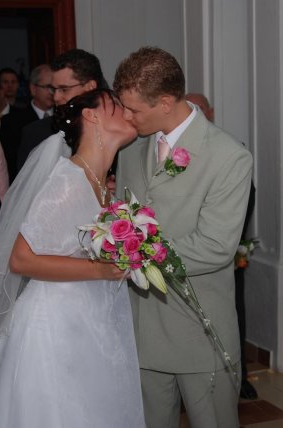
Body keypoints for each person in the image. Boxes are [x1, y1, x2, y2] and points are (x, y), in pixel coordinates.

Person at [0, 89, 144, 428]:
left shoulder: (102, 186)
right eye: (116, 105)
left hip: (93, 317)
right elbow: (21, 259)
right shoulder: (68, 181)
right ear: (91, 116)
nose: (127, 110)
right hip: (56, 325)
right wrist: (101, 269)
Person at [114, 47, 253, 428]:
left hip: (198, 331)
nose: (125, 117)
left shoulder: (228, 156)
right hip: (142, 329)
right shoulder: (130, 151)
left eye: (133, 109)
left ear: (164, 102)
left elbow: (216, 247)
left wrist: (133, 254)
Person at [186, 92, 258, 400]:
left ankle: (238, 376)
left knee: (232, 312)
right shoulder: (175, 150)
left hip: (225, 244)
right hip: (188, 246)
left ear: (211, 112)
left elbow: (248, 196)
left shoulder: (229, 149)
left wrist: (231, 238)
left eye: (200, 109)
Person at [17, 49, 104, 169]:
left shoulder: (113, 128)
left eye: (64, 89)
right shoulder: (35, 133)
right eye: (53, 89)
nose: (56, 97)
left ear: (90, 87)